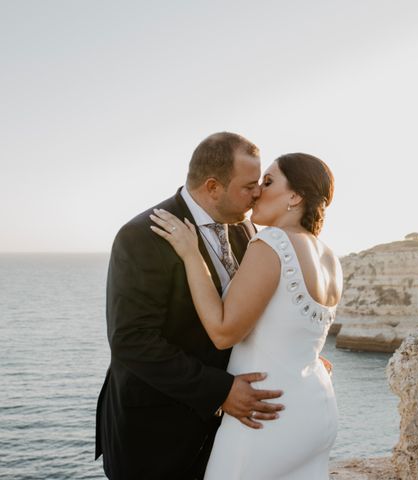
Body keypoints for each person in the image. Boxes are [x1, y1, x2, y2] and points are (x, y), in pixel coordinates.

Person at [95, 132, 285, 480]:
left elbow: (249, 307)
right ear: (213, 186)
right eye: (249, 185)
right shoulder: (141, 236)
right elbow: (132, 340)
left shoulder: (246, 228)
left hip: (224, 435)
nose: (257, 192)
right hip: (156, 435)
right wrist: (220, 391)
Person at [150, 152, 342, 479]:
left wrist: (190, 253)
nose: (257, 192)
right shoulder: (329, 257)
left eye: (268, 182)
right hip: (317, 409)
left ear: (295, 196)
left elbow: (224, 332)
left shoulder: (271, 242)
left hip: (266, 415)